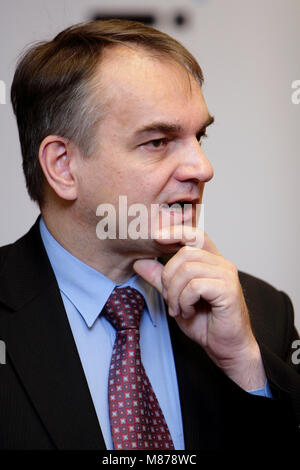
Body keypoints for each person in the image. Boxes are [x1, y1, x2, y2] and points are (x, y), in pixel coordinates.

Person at [0, 19, 299, 451]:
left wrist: (247, 368)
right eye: (159, 141)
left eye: (200, 136)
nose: (202, 168)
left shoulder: (264, 316)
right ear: (63, 166)